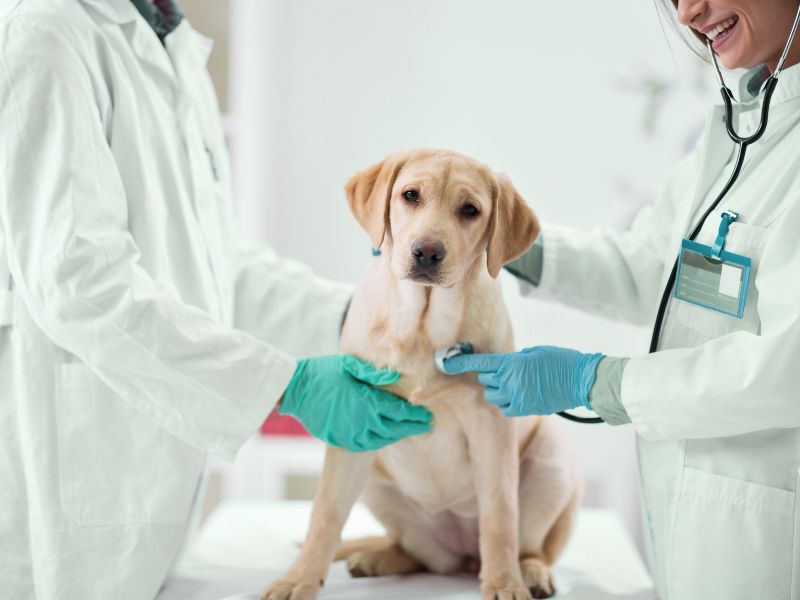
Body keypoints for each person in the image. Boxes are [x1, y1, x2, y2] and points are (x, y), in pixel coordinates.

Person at [0, 1, 432, 598]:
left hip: (153, 496)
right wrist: (287, 386)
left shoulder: (171, 41)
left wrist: (368, 319)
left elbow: (215, 266)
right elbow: (79, 284)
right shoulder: (44, 32)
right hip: (75, 490)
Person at [445, 1, 800, 599]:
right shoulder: (745, 127)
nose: (689, 13)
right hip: (706, 540)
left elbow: (789, 368)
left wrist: (599, 382)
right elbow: (652, 268)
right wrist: (500, 241)